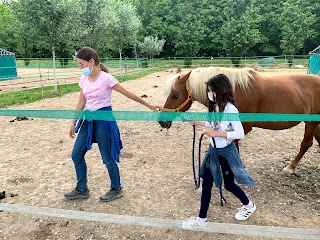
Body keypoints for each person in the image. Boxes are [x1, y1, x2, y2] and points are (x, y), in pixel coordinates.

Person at [64, 47, 160, 202]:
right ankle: (82, 189)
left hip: (104, 119)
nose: (79, 68)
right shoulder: (83, 80)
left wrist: (148, 105)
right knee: (76, 155)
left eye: (81, 64)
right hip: (89, 119)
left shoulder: (107, 78)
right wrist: (73, 122)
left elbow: (128, 94)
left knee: (107, 157)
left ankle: (116, 188)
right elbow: (81, 102)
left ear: (91, 61)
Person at [183, 74, 256, 227]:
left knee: (229, 185)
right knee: (207, 184)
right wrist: (199, 122)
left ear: (222, 89)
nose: (209, 94)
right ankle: (201, 220)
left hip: (226, 154)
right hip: (213, 152)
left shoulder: (231, 109)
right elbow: (213, 124)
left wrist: (217, 134)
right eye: (208, 91)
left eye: (212, 90)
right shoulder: (215, 107)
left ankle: (249, 205)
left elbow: (240, 133)